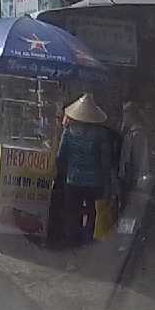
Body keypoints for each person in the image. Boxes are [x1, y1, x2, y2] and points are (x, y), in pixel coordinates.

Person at [54, 94, 114, 247]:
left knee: (72, 212)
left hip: (73, 180)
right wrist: (107, 182)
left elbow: (61, 156)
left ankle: (72, 240)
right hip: (94, 182)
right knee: (91, 211)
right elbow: (105, 161)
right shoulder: (101, 134)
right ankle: (87, 240)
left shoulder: (69, 131)